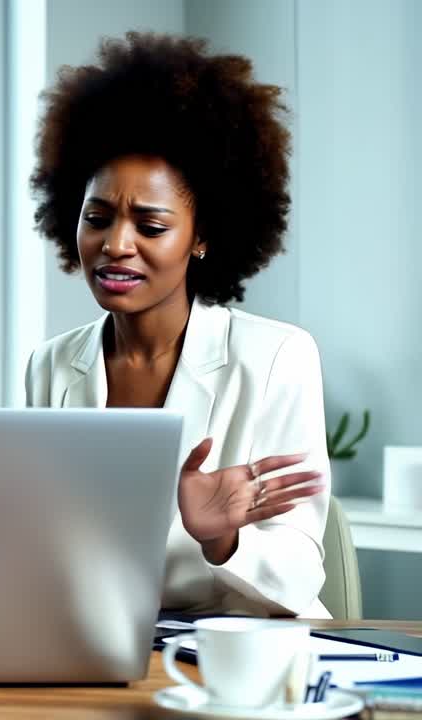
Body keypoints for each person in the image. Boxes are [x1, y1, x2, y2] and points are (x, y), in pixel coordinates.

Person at [25, 33, 330, 617]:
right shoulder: (52, 365)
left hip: (243, 649)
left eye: (151, 226)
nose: (116, 245)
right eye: (97, 218)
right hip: (105, 646)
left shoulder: (277, 357)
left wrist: (223, 539)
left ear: (202, 236)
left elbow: (300, 570)